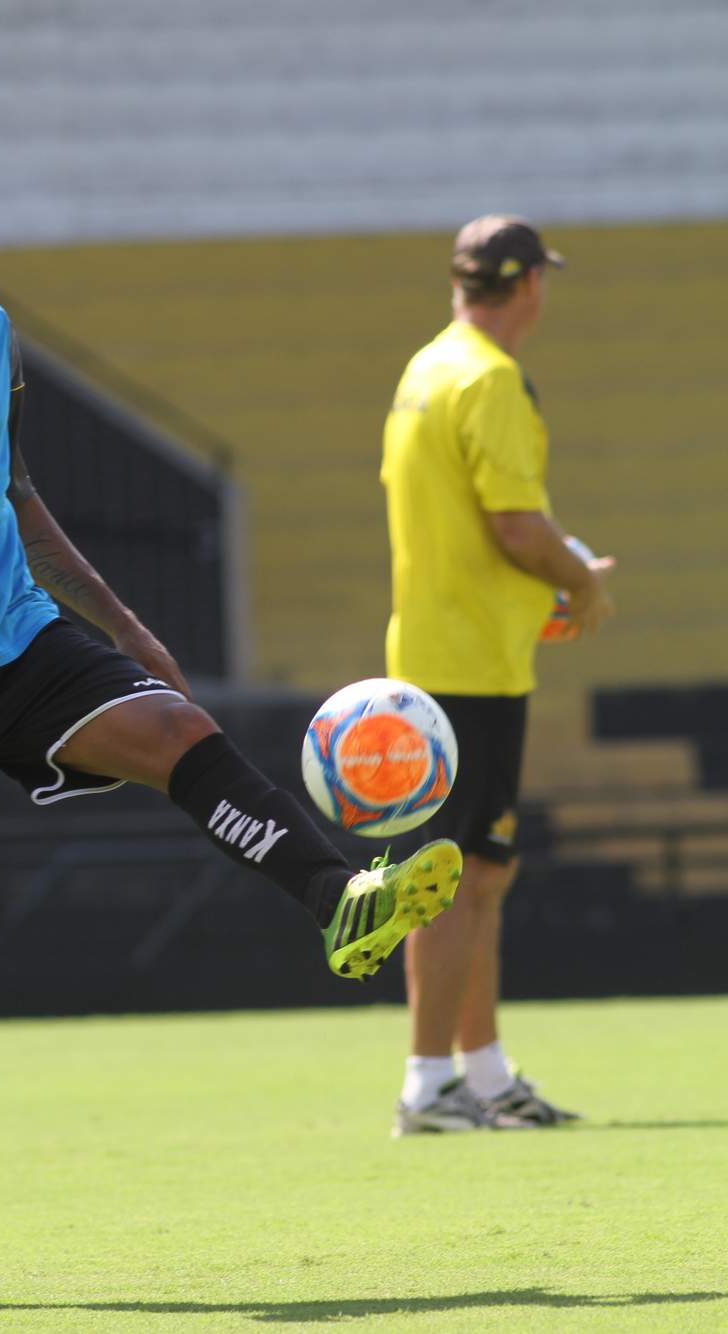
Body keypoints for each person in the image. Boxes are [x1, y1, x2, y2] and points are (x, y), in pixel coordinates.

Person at [0, 115, 465, 1309]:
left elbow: (15, 495)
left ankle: (339, 898)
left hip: (8, 634)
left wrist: (123, 626)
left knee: (174, 730)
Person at [380, 215, 615, 1138]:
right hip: (469, 665)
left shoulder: (427, 368)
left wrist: (540, 586)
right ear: (530, 285)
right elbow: (515, 525)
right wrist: (580, 586)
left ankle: (479, 1074)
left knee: (475, 873)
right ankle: (430, 1084)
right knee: (453, 877)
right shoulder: (489, 377)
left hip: (441, 651)